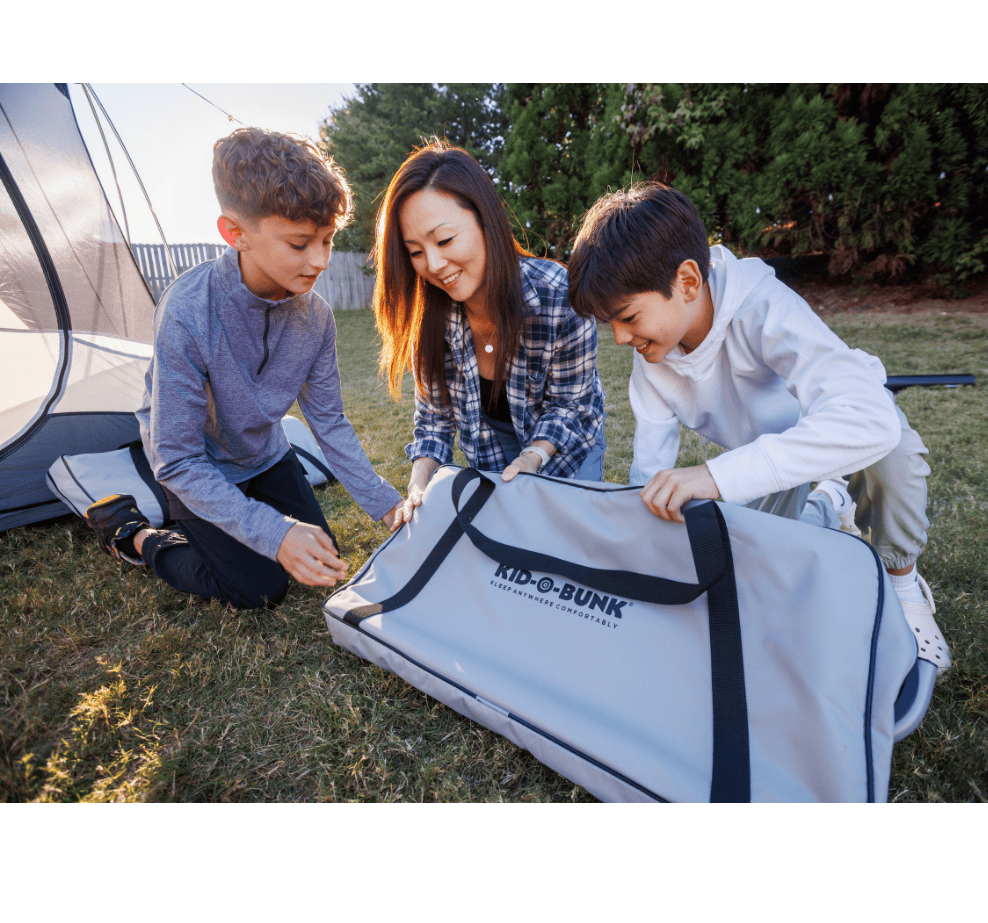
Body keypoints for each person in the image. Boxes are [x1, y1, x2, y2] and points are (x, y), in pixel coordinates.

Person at [566, 181, 951, 669]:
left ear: (687, 281)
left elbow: (870, 420)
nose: (620, 338)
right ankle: (827, 505)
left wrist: (710, 477)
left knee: (891, 453)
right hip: (761, 464)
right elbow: (650, 470)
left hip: (827, 437)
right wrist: (642, 559)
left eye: (626, 316)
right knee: (746, 580)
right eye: (609, 324)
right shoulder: (654, 362)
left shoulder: (764, 307)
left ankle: (902, 581)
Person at [83, 127, 402, 609]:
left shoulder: (316, 318)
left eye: (328, 240)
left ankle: (230, 528)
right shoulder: (187, 312)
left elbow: (330, 422)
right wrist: (273, 534)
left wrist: (388, 505)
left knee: (320, 555)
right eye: (299, 244)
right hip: (198, 467)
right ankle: (135, 535)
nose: (319, 261)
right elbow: (177, 458)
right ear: (235, 234)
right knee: (259, 588)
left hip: (265, 454)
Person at [373, 140, 605, 523]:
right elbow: (434, 420)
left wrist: (531, 458)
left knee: (561, 542)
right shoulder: (430, 314)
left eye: (445, 240)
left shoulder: (558, 295)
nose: (433, 264)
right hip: (491, 448)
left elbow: (570, 408)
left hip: (565, 445)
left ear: (486, 220)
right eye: (415, 251)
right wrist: (417, 486)